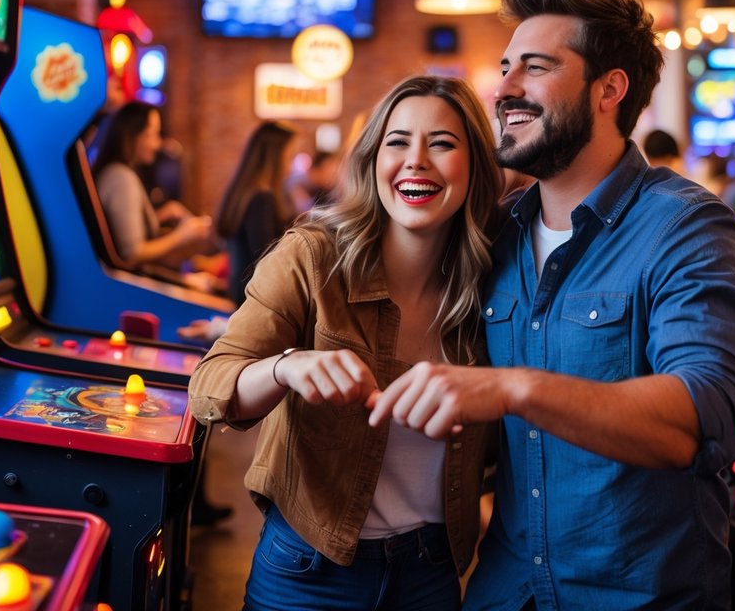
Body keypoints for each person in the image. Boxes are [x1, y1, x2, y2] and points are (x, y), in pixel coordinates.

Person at [369, 0, 735, 610]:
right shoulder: (496, 233)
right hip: (504, 591)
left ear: (609, 90)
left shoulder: (685, 226)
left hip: (637, 598)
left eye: (535, 67)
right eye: (505, 67)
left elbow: (703, 417)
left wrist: (514, 388)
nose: (505, 88)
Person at [188, 75, 503, 611]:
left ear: (475, 166)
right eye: (397, 142)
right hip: (309, 569)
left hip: (433, 573)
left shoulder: (495, 285)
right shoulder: (311, 257)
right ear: (372, 159)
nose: (416, 161)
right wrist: (287, 367)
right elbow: (209, 385)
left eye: (443, 144)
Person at [91, 101, 215, 285]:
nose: (157, 144)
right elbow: (132, 252)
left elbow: (121, 229)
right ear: (134, 136)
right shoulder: (121, 178)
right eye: (154, 135)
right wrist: (182, 235)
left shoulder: (114, 172)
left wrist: (162, 214)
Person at [215, 120, 298, 304]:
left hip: (241, 294)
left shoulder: (247, 191)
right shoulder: (262, 198)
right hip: (255, 301)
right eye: (289, 157)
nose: (291, 167)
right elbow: (266, 259)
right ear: (274, 157)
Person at [285, 149, 341, 216]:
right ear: (322, 166)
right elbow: (305, 215)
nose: (336, 177)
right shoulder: (298, 185)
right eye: (333, 172)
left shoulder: (322, 190)